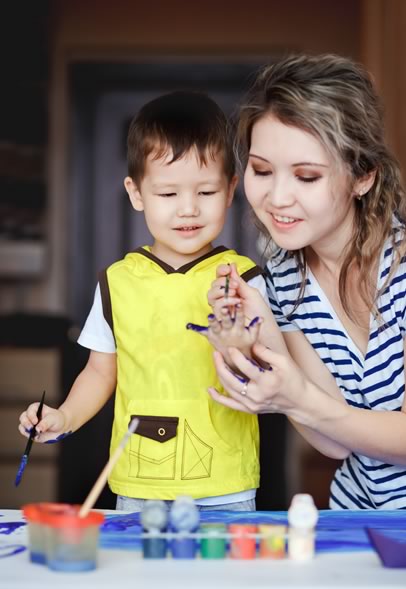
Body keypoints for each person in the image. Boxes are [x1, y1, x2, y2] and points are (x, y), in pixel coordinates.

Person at [18, 91, 266, 512]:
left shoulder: (242, 279)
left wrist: (237, 336)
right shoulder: (117, 282)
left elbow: (264, 371)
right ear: (136, 194)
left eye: (205, 192)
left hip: (225, 482)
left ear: (230, 190)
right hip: (138, 479)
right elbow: (99, 373)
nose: (187, 209)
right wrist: (64, 418)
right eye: (168, 195)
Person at [203, 54, 406, 510]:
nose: (276, 198)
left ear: (363, 176)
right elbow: (333, 442)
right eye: (261, 170)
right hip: (358, 517)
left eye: (306, 176)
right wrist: (264, 332)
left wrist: (294, 396)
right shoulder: (282, 274)